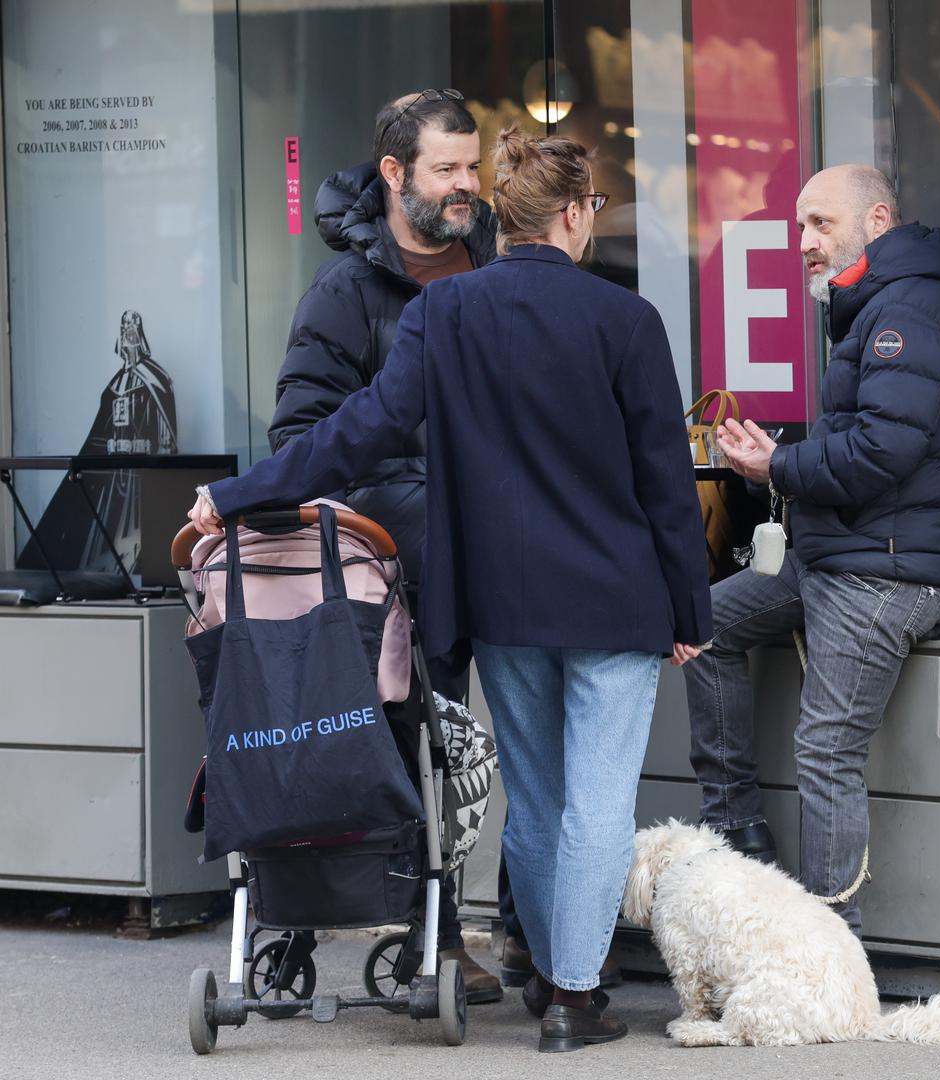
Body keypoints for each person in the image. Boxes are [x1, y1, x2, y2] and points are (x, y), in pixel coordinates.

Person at [189, 125, 711, 1052]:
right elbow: (666, 484)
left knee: (540, 802)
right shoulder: (626, 321)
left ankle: (557, 979)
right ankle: (574, 1001)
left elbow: (356, 430)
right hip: (617, 599)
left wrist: (235, 495)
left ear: (504, 217)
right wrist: (689, 609)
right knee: (597, 802)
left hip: (505, 603)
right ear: (577, 214)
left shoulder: (447, 313)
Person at [683, 164, 940, 935]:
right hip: (849, 551)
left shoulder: (908, 307)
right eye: (800, 228)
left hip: (893, 568)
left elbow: (884, 453)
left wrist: (775, 466)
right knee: (702, 627)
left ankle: (831, 945)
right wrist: (779, 451)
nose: (805, 242)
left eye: (821, 224)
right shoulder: (877, 302)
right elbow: (867, 438)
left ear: (877, 220)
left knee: (824, 746)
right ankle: (736, 831)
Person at [266, 89, 500, 1003]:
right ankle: (435, 936)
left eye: (472, 168)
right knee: (435, 741)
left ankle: (531, 934)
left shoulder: (494, 262)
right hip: (414, 563)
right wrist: (413, 489)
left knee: (513, 741)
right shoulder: (346, 294)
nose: (465, 186)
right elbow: (302, 439)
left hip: (504, 547)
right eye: (446, 169)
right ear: (395, 173)